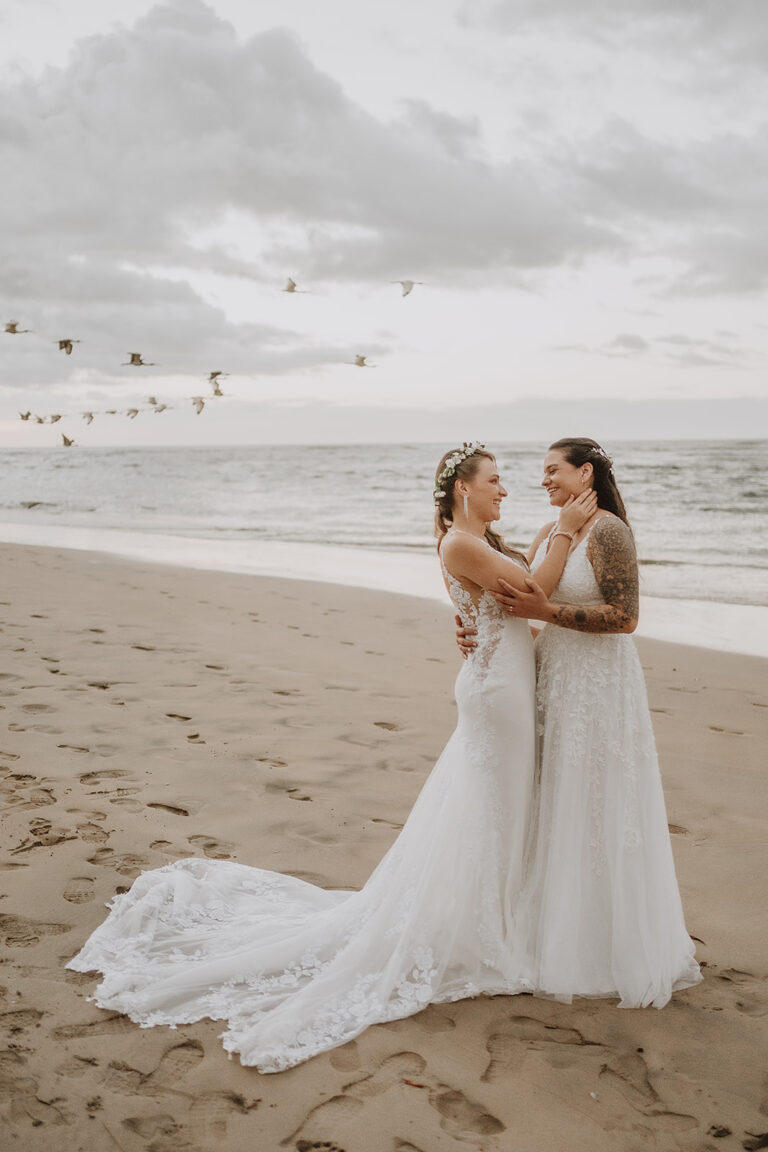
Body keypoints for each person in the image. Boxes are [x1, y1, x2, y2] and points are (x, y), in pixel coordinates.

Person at [66, 443, 595, 1073]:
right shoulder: (459, 542)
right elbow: (534, 590)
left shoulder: (481, 542)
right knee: (493, 805)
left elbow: (511, 606)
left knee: (497, 807)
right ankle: (488, 929)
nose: (503, 490)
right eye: (495, 481)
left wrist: (547, 544)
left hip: (504, 678)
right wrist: (564, 529)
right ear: (462, 489)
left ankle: (500, 917)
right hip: (495, 693)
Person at [457, 437, 701, 1007]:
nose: (542, 480)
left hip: (601, 686)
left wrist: (546, 612)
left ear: (584, 473)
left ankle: (601, 942)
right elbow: (514, 603)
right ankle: (544, 931)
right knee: (554, 798)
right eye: (540, 472)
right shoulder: (550, 533)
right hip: (554, 677)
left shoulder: (611, 531)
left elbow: (626, 617)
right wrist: (486, 631)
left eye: (551, 470)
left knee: (597, 799)